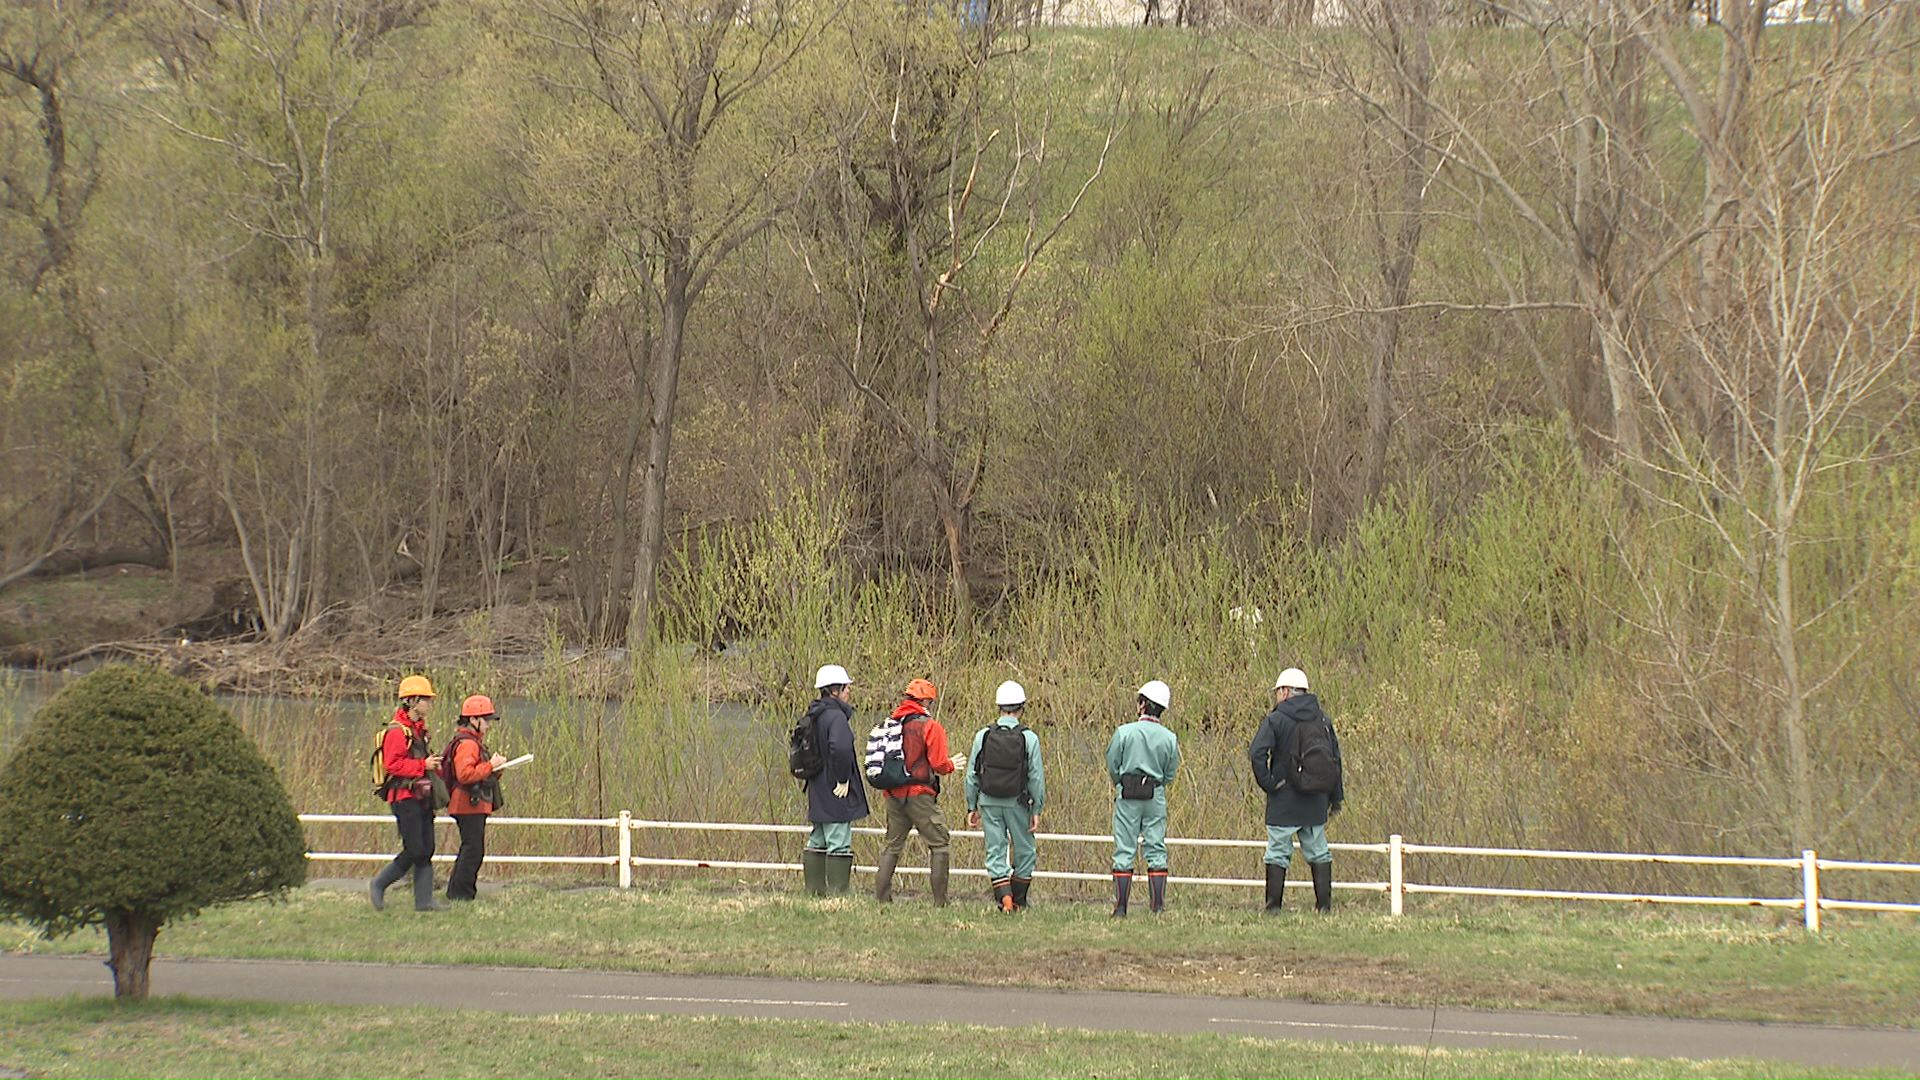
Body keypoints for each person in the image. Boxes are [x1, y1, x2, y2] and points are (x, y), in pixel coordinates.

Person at [1249, 667, 1345, 913]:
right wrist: (1335, 798)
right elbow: (1335, 760)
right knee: (1319, 852)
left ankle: (1273, 909)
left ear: (1284, 692)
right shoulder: (1323, 719)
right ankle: (1323, 908)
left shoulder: (1276, 719)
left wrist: (1269, 784)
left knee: (1277, 853)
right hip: (1316, 799)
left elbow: (1257, 753)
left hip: (1284, 800)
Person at [872, 678, 963, 906]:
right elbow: (939, 763)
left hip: (892, 794)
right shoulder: (929, 726)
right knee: (939, 843)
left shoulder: (891, 723)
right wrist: (951, 764)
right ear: (925, 701)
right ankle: (941, 902)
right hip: (920, 794)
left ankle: (883, 899)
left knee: (892, 845)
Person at [965, 680, 1046, 912]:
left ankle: (1004, 900)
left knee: (995, 850)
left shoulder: (983, 735)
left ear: (998, 706)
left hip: (989, 801)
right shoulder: (1029, 738)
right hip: (1017, 802)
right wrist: (1036, 809)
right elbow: (1036, 778)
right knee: (1025, 849)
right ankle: (1019, 900)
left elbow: (972, 774)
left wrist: (972, 805)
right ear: (1022, 707)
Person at [370, 674, 446, 912]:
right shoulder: (397, 732)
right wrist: (424, 765)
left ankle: (424, 902)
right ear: (412, 701)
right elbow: (392, 765)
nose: (430, 704)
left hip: (421, 797)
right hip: (404, 799)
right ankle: (379, 884)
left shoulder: (419, 730)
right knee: (414, 848)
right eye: (426, 699)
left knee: (427, 848)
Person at [1106, 679, 1181, 916]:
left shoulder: (1124, 732)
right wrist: (1158, 784)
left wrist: (1121, 781)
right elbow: (1171, 771)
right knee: (1156, 846)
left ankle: (1121, 908)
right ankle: (1157, 906)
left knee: (1124, 849)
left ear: (1142, 704)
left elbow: (1112, 763)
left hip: (1128, 793)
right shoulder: (1170, 738)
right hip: (1155, 794)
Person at [802, 664, 869, 896]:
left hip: (816, 786)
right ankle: (839, 894)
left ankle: (815, 892)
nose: (849, 690)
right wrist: (843, 779)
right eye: (846, 687)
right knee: (839, 838)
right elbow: (840, 748)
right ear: (835, 690)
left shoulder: (815, 714)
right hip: (835, 788)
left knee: (818, 837)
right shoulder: (836, 717)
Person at [444, 694, 509, 902]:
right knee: (473, 851)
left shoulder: (469, 742)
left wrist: (495, 769)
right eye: (486, 720)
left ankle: (457, 892)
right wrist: (491, 765)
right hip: (468, 804)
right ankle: (461, 895)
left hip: (469, 804)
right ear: (474, 720)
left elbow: (475, 773)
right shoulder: (469, 745)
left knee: (470, 849)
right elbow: (465, 774)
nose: (488, 725)